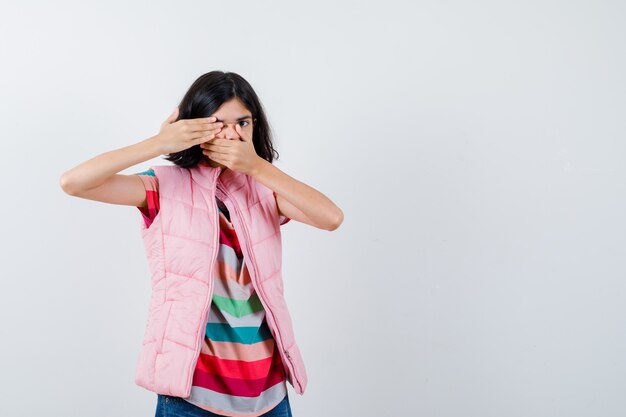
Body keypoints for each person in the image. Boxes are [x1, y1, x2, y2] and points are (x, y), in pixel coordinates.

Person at [59, 70, 344, 417]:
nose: (232, 134)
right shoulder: (164, 186)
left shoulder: (265, 190)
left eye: (243, 122)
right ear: (194, 126)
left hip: (268, 394)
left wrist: (256, 167)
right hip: (191, 395)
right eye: (218, 123)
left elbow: (331, 218)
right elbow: (74, 183)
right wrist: (158, 143)